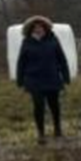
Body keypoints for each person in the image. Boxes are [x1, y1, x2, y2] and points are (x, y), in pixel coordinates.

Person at [15, 15, 71, 144]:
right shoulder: (27, 42)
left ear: (45, 27)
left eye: (40, 26)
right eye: (35, 27)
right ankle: (41, 133)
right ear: (31, 29)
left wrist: (65, 76)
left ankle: (57, 129)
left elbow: (62, 59)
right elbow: (21, 62)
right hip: (34, 79)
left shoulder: (53, 40)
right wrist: (20, 79)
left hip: (52, 77)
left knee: (54, 105)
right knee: (38, 106)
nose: (38, 29)